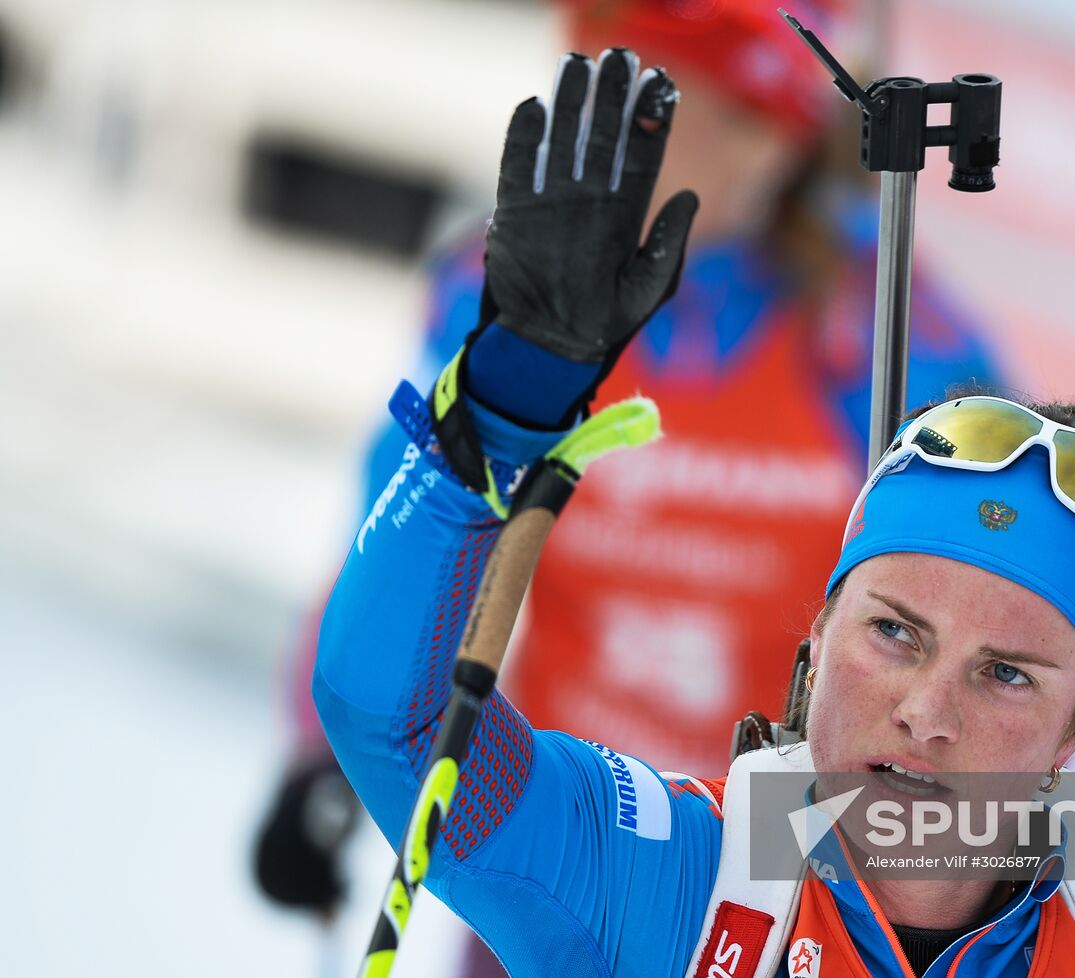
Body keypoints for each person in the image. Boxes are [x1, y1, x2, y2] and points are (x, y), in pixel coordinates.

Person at [314, 46, 1075, 978]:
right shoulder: (659, 887)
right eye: (896, 632)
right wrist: (501, 413)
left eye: (1007, 676)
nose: (925, 714)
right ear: (816, 636)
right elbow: (397, 725)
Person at [255, 0, 999, 938]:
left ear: (764, 139)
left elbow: (1005, 616)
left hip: (781, 883)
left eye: (651, 108)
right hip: (567, 835)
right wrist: (317, 757)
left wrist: (990, 883)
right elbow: (398, 536)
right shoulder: (520, 292)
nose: (600, 148)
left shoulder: (887, 333)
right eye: (590, 91)